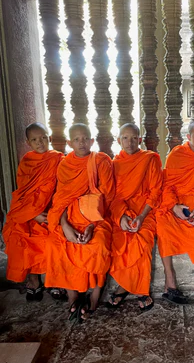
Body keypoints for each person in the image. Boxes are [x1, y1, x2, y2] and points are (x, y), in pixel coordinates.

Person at [45, 123, 115, 322]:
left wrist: (92, 226)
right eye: (76, 139)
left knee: (99, 245)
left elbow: (107, 198)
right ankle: (73, 296)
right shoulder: (65, 165)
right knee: (56, 244)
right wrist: (65, 226)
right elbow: (61, 200)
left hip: (98, 219)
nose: (81, 142)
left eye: (85, 138)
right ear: (69, 143)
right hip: (68, 218)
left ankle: (94, 296)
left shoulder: (102, 161)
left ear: (92, 141)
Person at [156, 121, 194, 306]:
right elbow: (168, 184)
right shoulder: (177, 154)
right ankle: (170, 282)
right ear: (189, 137)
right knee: (163, 223)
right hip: (176, 200)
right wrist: (174, 206)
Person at [3, 122, 63, 301]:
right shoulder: (26, 162)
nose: (40, 143)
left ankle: (54, 280)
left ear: (49, 138)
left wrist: (51, 212)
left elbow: (64, 189)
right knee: (18, 238)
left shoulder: (58, 159)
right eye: (35, 140)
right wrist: (32, 214)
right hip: (30, 212)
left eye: (44, 138)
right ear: (28, 142)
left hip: (51, 210)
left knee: (51, 240)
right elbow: (23, 193)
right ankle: (34, 279)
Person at [107, 123, 162, 312]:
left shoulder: (150, 160)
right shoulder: (113, 165)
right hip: (121, 211)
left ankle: (131, 289)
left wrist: (141, 216)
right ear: (118, 140)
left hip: (145, 211)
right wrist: (121, 217)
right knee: (119, 239)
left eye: (133, 138)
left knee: (143, 240)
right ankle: (133, 287)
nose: (129, 142)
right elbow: (112, 196)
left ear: (140, 139)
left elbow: (155, 192)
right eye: (125, 138)